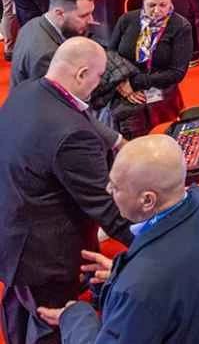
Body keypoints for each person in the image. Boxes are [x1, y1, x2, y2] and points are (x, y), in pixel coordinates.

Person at [36, 135, 199, 344]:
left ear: (147, 200)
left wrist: (74, 316)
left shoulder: (139, 287)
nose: (108, 189)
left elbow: (156, 286)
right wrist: (122, 275)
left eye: (115, 186)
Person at [0, 37, 133, 344]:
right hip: (44, 256)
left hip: (13, 230)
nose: (99, 84)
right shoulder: (72, 135)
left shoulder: (28, 91)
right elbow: (105, 206)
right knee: (52, 323)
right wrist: (157, 244)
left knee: (19, 309)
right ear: (81, 74)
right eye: (99, 76)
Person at [104, 0, 192, 139]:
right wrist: (122, 84)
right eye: (151, 5)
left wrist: (134, 83)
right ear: (143, 0)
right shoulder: (127, 20)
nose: (157, 11)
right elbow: (110, 54)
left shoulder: (181, 26)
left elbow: (177, 72)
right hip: (125, 98)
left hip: (161, 100)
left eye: (163, 4)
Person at [11, 0, 96, 88]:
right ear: (59, 14)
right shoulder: (48, 55)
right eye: (83, 16)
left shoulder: (32, 24)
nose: (91, 20)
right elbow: (55, 95)